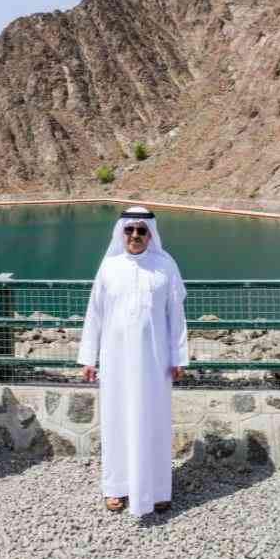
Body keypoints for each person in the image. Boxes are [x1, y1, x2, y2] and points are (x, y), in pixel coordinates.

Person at [78, 206, 188, 516]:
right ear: (121, 232)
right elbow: (95, 314)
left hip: (155, 363)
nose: (135, 235)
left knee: (154, 422)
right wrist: (88, 357)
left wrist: (179, 357)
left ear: (151, 234)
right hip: (116, 362)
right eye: (130, 230)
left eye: (141, 230)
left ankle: (158, 490)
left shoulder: (165, 266)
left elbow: (176, 316)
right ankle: (116, 488)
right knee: (117, 421)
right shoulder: (109, 267)